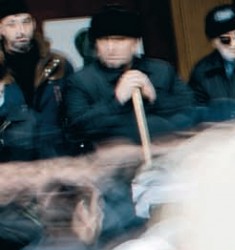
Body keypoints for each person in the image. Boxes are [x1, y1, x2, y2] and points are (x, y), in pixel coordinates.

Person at [61, 5, 197, 151]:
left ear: (135, 43)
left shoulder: (161, 71)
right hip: (112, 159)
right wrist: (116, 101)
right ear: (96, 44)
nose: (111, 48)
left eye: (119, 40)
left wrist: (154, 98)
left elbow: (191, 111)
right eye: (104, 40)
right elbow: (75, 130)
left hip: (165, 152)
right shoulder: (80, 81)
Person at [0, 11, 69, 160]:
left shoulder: (58, 64)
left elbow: (73, 112)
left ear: (34, 24)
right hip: (10, 161)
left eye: (26, 22)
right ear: (1, 29)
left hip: (55, 156)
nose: (21, 30)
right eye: (11, 24)